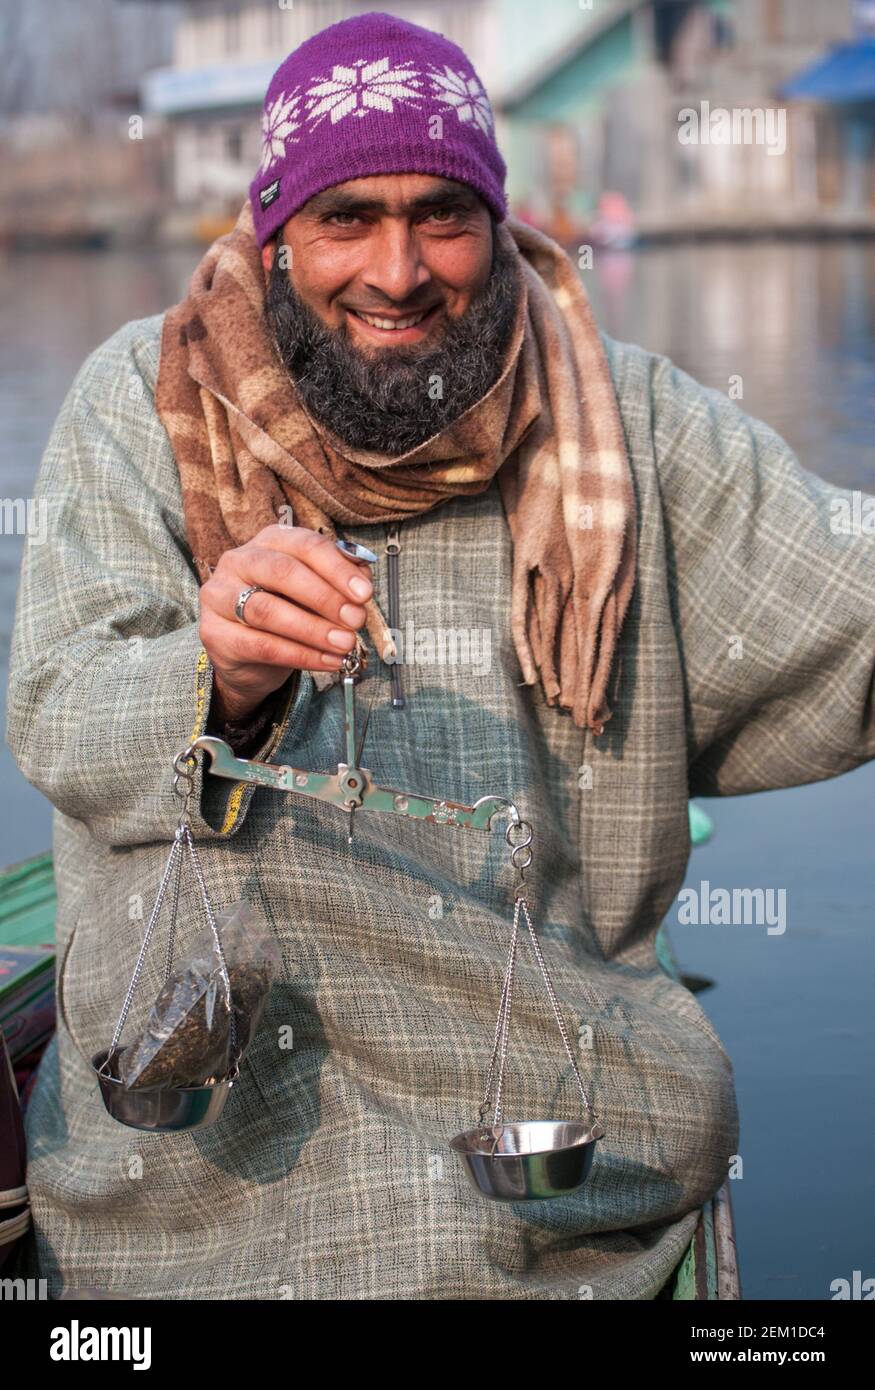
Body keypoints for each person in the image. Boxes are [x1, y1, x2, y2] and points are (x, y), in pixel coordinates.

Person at [6, 12, 874, 1301]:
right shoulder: (146, 399)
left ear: (495, 221)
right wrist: (221, 671)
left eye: (443, 218)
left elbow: (850, 597)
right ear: (276, 228)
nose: (398, 273)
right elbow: (63, 713)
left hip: (551, 1162)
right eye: (346, 218)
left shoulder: (620, 417)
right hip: (206, 1174)